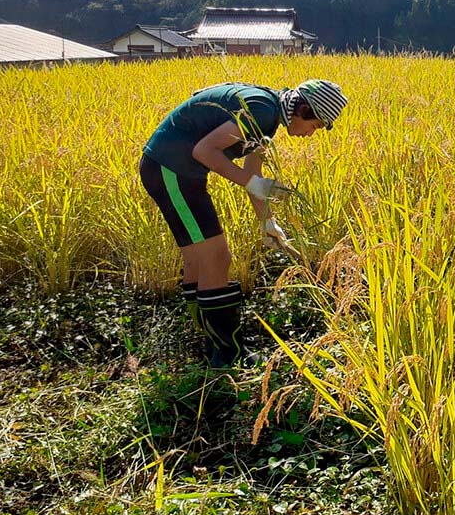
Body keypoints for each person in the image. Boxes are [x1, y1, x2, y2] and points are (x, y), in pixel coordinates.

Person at [138, 79, 348, 367]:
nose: (311, 133)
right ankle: (226, 355)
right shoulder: (262, 111)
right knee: (217, 258)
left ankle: (209, 343)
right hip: (173, 169)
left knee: (199, 261)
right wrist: (256, 184)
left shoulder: (268, 118)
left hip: (173, 170)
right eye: (316, 125)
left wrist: (267, 223)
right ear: (303, 109)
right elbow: (204, 151)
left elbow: (253, 173)